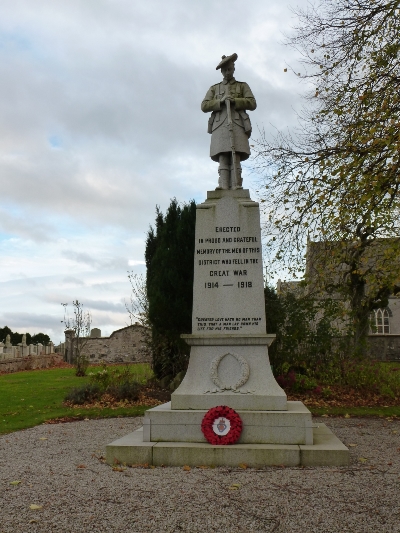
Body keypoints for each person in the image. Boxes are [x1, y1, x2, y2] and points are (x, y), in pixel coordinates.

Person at [201, 53, 257, 190]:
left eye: (230, 69)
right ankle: (223, 186)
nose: (227, 72)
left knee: (235, 156)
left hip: (237, 122)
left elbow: (252, 103)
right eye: (225, 70)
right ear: (221, 71)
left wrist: (236, 101)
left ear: (233, 69)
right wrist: (219, 101)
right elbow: (204, 105)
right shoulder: (215, 88)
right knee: (223, 156)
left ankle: (236, 185)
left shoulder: (242, 86)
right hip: (220, 124)